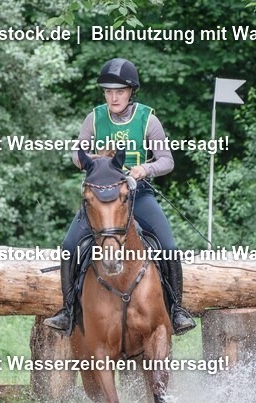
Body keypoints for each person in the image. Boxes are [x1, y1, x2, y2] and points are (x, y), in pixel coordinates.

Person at [43, 58, 195, 336]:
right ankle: (67, 311)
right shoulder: (94, 118)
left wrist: (144, 168)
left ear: (130, 92)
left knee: (169, 247)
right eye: (109, 91)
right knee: (68, 246)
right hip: (101, 200)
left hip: (139, 196)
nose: (113, 97)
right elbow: (76, 153)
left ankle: (176, 311)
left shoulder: (149, 120)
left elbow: (167, 161)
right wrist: (91, 161)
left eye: (120, 91)